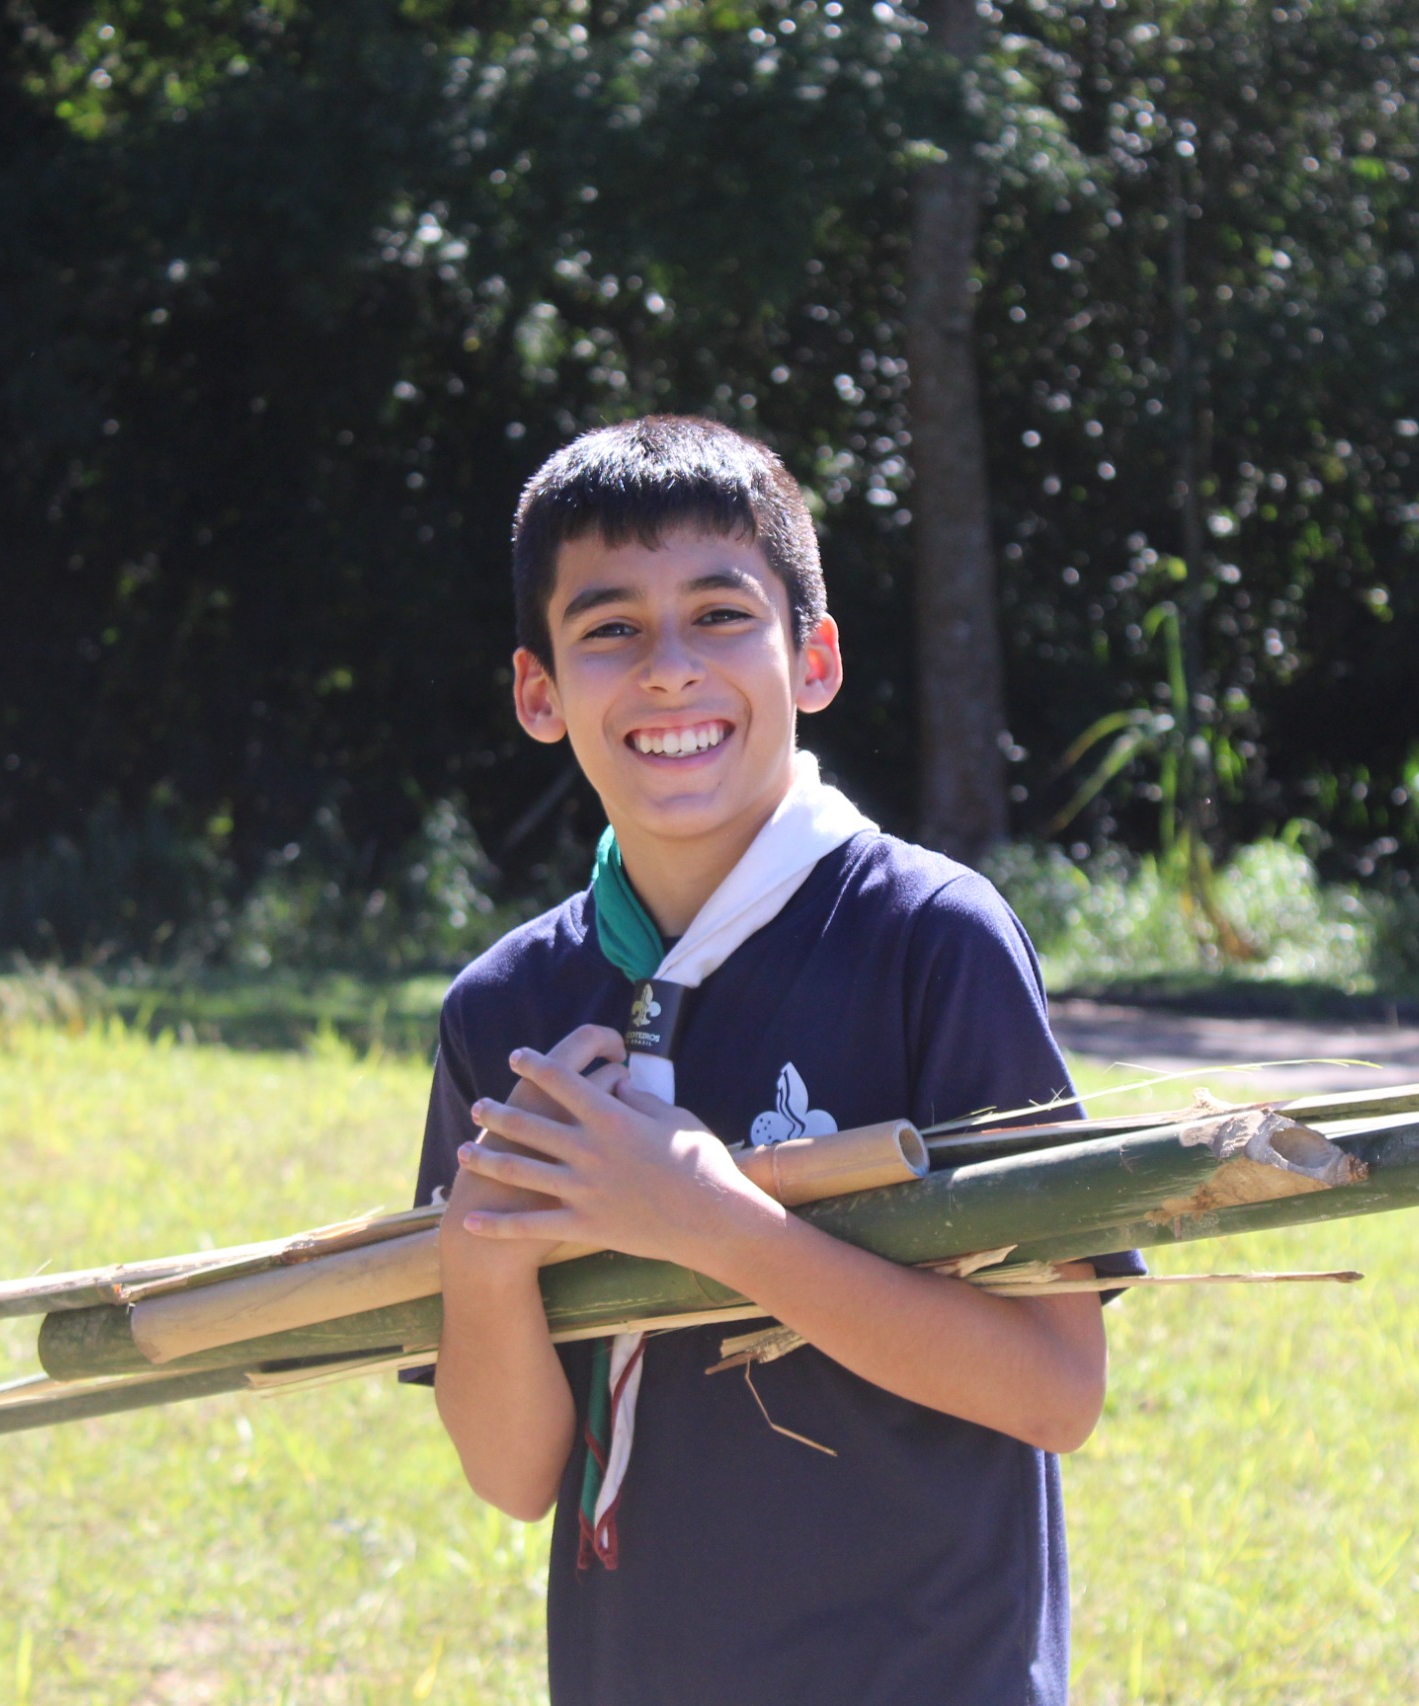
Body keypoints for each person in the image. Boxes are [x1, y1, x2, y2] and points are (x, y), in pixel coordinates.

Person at [409, 415, 1139, 1705]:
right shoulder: (507, 1010)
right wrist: (479, 1257)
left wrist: (710, 1224)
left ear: (813, 659)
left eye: (720, 614)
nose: (672, 671)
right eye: (611, 629)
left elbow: (1055, 1390)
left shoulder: (930, 940)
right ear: (540, 689)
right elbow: (515, 1476)